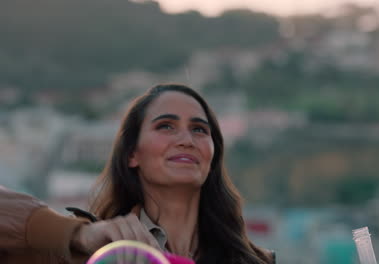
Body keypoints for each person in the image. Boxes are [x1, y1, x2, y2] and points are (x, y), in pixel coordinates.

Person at [0, 84, 274, 264]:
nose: (186, 139)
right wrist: (79, 236)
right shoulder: (86, 252)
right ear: (133, 154)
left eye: (200, 129)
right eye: (166, 126)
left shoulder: (256, 261)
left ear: (212, 156)